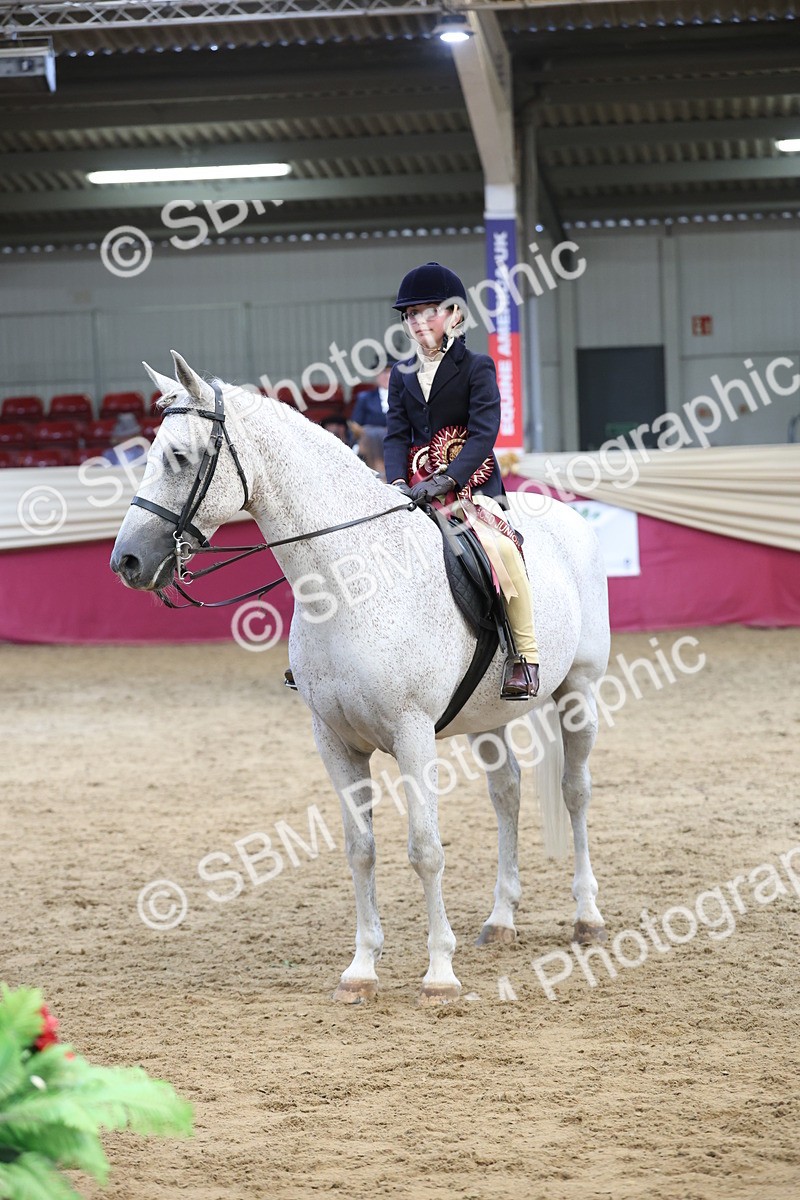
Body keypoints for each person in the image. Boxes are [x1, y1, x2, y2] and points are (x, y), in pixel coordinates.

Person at [383, 261, 539, 699]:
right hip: (413, 488)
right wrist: (397, 482)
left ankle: (524, 657)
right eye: (410, 314)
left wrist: (449, 478)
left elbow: (484, 430)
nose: (417, 322)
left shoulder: (477, 366)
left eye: (427, 311)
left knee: (502, 551)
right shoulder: (401, 373)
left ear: (454, 314)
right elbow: (396, 434)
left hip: (471, 487)